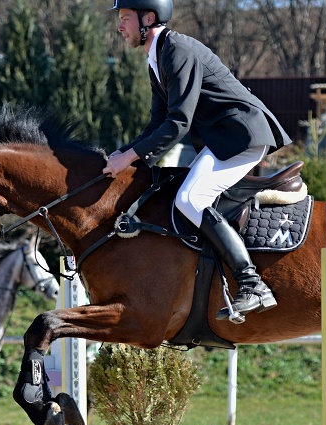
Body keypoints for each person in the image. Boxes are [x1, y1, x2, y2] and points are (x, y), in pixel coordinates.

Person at [104, 0, 291, 323]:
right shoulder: (157, 57)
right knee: (184, 195)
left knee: (191, 198)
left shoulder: (177, 50)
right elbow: (156, 125)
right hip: (222, 140)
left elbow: (178, 123)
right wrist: (122, 155)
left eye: (125, 19)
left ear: (148, 18)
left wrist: (132, 157)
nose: (120, 27)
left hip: (242, 136)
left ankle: (252, 283)